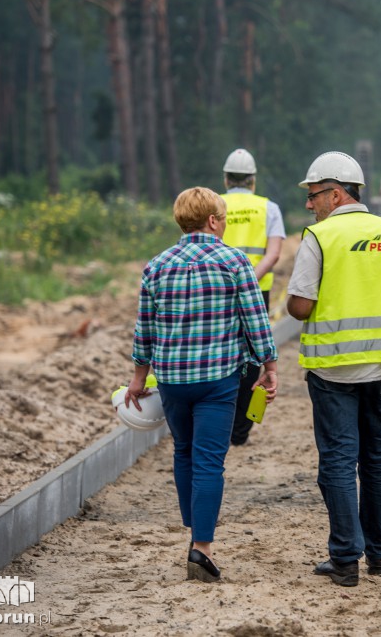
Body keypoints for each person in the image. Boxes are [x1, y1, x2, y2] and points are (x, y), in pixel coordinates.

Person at [123, 186, 279, 583]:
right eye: (223, 219)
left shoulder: (156, 266)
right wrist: (269, 365)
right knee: (210, 461)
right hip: (218, 381)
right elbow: (255, 319)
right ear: (212, 221)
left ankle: (194, 526)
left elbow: (145, 329)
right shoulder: (234, 261)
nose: (224, 225)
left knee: (184, 454)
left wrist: (139, 379)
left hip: (174, 380)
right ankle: (201, 547)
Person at [286, 152, 381, 587]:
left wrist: (300, 302)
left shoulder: (320, 237)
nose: (310, 205)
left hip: (333, 372)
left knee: (339, 463)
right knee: (378, 461)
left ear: (335, 193)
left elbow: (301, 306)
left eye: (313, 196)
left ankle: (346, 559)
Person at [219, 148, 287, 447]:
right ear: (253, 180)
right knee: (251, 356)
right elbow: (273, 254)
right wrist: (247, 281)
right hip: (257, 289)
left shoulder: (215, 205)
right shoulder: (268, 208)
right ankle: (240, 430)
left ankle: (217, 422)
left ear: (225, 178)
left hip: (215, 291)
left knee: (218, 352)